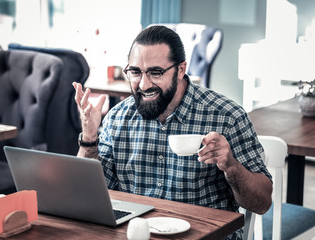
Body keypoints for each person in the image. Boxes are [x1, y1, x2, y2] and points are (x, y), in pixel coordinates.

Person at [73, 25, 272, 239]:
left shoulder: (227, 116)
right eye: (135, 72)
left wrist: (231, 166)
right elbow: (86, 196)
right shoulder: (118, 117)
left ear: (180, 69)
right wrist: (89, 137)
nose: (143, 84)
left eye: (156, 73)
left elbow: (261, 203)